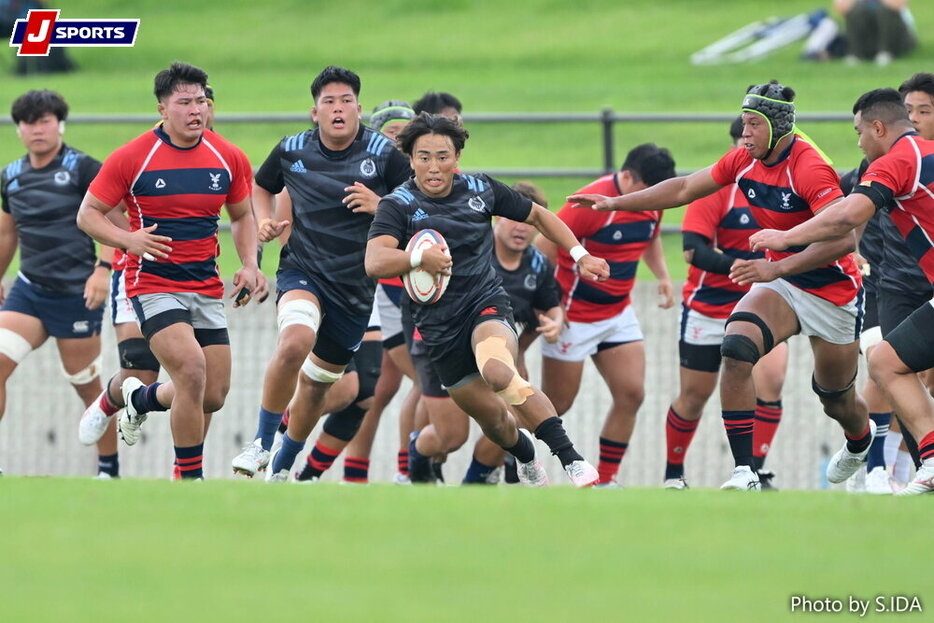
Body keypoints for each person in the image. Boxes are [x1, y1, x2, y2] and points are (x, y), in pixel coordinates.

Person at [571, 80, 872, 491]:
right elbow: (681, 188)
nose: (743, 133)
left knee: (836, 399)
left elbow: (842, 239)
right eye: (743, 124)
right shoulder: (742, 159)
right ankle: (745, 471)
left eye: (752, 125)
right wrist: (614, 203)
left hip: (832, 290)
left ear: (777, 126)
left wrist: (780, 255)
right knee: (736, 349)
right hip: (781, 283)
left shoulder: (809, 165)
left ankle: (859, 440)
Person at [367, 112, 608, 487]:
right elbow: (375, 260)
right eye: (424, 156)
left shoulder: (480, 190)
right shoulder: (397, 205)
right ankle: (525, 455)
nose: (434, 166)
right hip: (438, 331)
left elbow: (540, 216)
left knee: (498, 370)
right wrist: (418, 258)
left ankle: (571, 459)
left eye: (443, 156)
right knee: (495, 422)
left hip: (485, 305)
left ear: (457, 158)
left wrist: (581, 255)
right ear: (411, 160)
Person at [77, 62, 260, 480]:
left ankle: (138, 400)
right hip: (153, 284)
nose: (196, 110)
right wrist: (129, 241)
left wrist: (250, 264)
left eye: (201, 101)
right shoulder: (132, 157)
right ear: (163, 108)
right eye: (184, 102)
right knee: (191, 371)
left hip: (206, 284)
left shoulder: (227, 155)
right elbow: (88, 215)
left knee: (212, 394)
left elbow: (243, 216)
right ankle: (189, 480)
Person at [749, 87, 934, 495]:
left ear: (878, 128)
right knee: (887, 361)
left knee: (886, 363)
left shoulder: (896, 160)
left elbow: (845, 218)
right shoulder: (924, 153)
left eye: (859, 133)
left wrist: (785, 237)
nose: (859, 142)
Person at [235, 66, 412, 482]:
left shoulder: (383, 155)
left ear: (358, 109)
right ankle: (261, 443)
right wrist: (263, 221)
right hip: (303, 272)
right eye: (329, 102)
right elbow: (261, 187)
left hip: (355, 290)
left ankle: (283, 466)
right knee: (295, 341)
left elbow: (416, 206)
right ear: (315, 112)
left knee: (317, 387)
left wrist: (380, 203)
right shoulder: (292, 149)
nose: (338, 108)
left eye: (345, 101)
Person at [537, 143, 676, 487]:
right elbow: (543, 247)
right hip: (573, 318)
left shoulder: (654, 201)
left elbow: (650, 237)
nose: (653, 200)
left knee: (632, 394)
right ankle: (504, 461)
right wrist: (549, 306)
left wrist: (662, 276)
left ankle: (607, 481)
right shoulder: (591, 202)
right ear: (627, 177)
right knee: (555, 405)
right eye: (647, 192)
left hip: (617, 315)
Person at [662, 118, 789, 491]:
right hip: (709, 306)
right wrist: (741, 267)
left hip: (764, 302)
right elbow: (693, 250)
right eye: (741, 142)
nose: (746, 149)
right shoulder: (716, 189)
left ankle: (754, 471)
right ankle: (673, 474)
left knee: (772, 381)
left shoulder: (784, 186)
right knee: (695, 395)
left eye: (754, 140)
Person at [0, 89, 118, 477]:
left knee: (87, 387)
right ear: (18, 129)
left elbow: (115, 223)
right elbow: (6, 235)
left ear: (60, 124)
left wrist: (103, 270)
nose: (37, 129)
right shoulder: (11, 177)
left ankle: (108, 469)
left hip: (77, 294)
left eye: (45, 121)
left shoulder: (83, 168)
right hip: (29, 291)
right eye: (29, 122)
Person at [462, 181, 564, 484]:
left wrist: (555, 324)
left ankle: (478, 480)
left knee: (512, 415)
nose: (521, 228)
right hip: (456, 353)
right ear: (496, 218)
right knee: (447, 436)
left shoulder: (538, 264)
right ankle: (416, 460)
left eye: (529, 222)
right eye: (513, 219)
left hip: (502, 359)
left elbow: (551, 307)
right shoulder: (474, 252)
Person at [834, 0, 916, 66]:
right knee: (857, 9)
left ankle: (885, 52)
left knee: (884, 9)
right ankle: (856, 53)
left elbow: (897, 4)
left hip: (896, 35)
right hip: (868, 36)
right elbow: (842, 8)